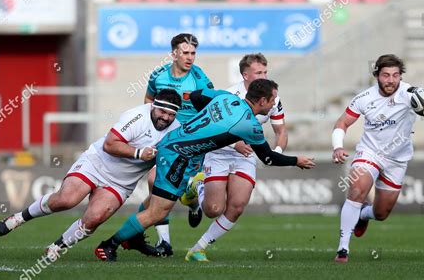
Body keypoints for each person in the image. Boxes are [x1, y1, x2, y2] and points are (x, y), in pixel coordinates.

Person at [94, 79, 316, 262]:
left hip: (174, 145)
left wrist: (208, 118)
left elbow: (198, 95)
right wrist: (297, 160)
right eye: (273, 99)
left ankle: (131, 237)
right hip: (177, 157)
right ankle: (109, 245)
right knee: (158, 211)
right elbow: (268, 157)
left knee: (158, 204)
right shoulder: (250, 124)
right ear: (263, 100)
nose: (274, 103)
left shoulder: (226, 98)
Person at [0, 89, 182, 261]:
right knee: (67, 199)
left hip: (121, 184)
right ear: (153, 106)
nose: (165, 118)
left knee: (93, 219)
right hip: (96, 163)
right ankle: (20, 217)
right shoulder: (136, 117)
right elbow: (110, 144)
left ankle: (56, 248)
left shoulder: (177, 130)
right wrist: (139, 153)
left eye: (171, 114)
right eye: (162, 112)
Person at [331, 54, 424, 263]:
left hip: (397, 159)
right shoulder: (364, 98)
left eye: (395, 75)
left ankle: (363, 215)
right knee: (357, 189)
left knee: (381, 213)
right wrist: (337, 147)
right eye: (385, 75)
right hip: (370, 153)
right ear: (377, 76)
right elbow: (341, 123)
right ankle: (342, 249)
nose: (390, 80)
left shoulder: (409, 93)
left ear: (400, 76)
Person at [181, 53, 288, 262]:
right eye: (259, 72)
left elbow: (281, 131)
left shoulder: (271, 97)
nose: (263, 76)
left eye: (265, 71)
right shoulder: (230, 95)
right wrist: (234, 142)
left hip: (245, 156)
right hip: (219, 152)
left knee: (237, 206)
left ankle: (198, 249)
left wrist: (277, 154)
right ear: (245, 75)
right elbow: (211, 126)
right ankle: (197, 185)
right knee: (213, 209)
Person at [121, 33, 215, 257]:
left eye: (193, 53)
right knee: (155, 182)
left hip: (190, 146)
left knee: (181, 191)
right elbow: (148, 102)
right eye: (185, 52)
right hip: (166, 143)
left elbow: (212, 111)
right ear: (174, 54)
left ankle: (192, 204)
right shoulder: (157, 76)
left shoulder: (200, 80)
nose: (190, 57)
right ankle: (165, 242)